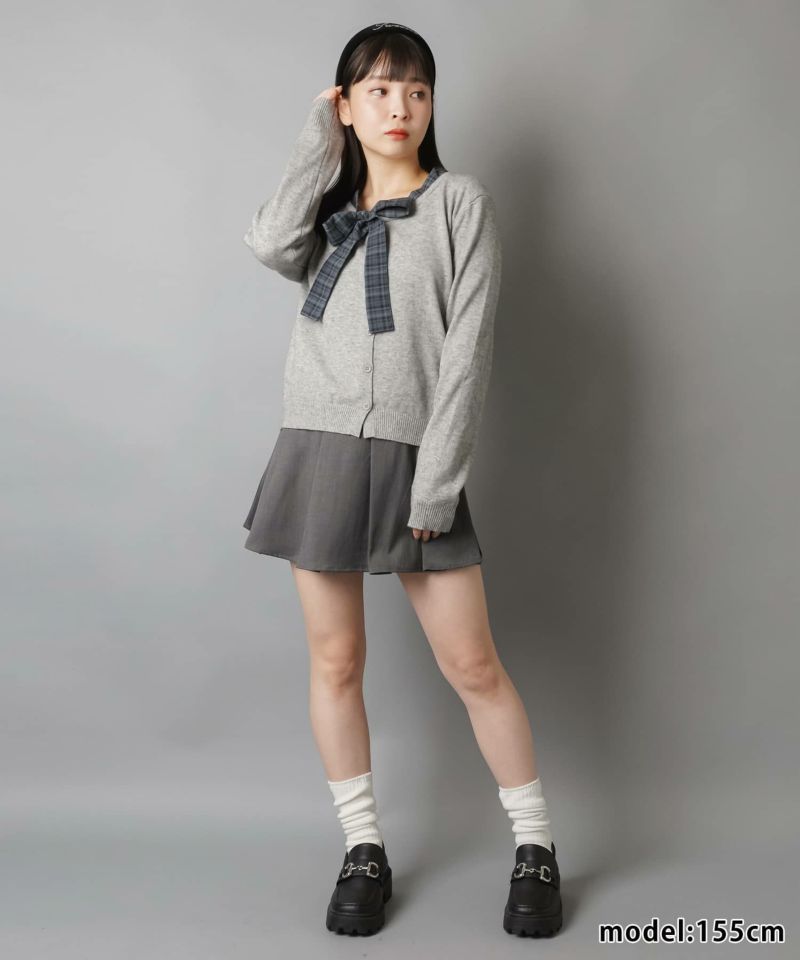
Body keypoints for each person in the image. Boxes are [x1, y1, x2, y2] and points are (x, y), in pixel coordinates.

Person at [241, 22, 562, 939]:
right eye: (378, 91)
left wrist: (437, 484)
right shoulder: (326, 217)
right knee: (337, 662)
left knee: (473, 665)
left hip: (420, 458)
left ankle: (535, 846)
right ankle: (363, 849)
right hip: (317, 451)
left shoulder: (461, 202)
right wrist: (318, 139)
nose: (401, 107)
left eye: (416, 90)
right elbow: (269, 243)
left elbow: (469, 352)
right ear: (348, 105)